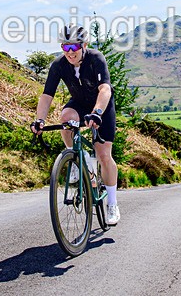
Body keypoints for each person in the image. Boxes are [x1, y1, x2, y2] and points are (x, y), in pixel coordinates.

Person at [31, 24, 120, 226]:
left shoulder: (95, 58)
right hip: (79, 104)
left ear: (84, 45)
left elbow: (105, 89)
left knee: (104, 155)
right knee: (65, 117)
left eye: (74, 48)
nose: (69, 53)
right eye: (65, 47)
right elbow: (47, 95)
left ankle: (112, 204)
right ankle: (77, 157)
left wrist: (97, 113)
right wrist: (40, 120)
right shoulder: (59, 65)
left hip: (102, 106)